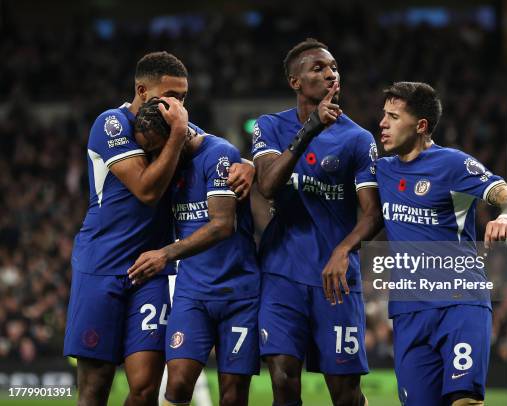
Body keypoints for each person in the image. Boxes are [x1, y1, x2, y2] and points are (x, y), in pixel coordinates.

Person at [63, 51, 253, 406]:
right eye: (172, 96)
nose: (180, 105)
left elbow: (216, 150)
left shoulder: (174, 128)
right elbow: (147, 190)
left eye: (184, 96)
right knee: (96, 383)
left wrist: (250, 166)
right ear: (142, 90)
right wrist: (179, 133)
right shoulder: (112, 124)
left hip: (150, 272)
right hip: (100, 266)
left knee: (147, 387)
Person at [375, 81, 507, 406]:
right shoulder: (382, 170)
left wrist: (505, 217)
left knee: (464, 401)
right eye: (383, 115)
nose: (382, 124)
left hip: (459, 303)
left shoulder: (454, 165)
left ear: (421, 126)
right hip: (409, 311)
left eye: (393, 117)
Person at [252, 38, 382, 406]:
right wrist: (309, 129)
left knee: (345, 393)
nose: (330, 74)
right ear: (295, 81)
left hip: (335, 278)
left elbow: (373, 213)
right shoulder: (270, 126)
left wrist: (343, 251)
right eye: (318, 68)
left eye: (334, 68)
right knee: (283, 378)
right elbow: (267, 185)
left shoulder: (358, 139)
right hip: (281, 274)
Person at [126, 98, 261, 406]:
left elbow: (222, 225)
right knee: (177, 384)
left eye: (157, 149)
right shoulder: (168, 168)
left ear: (179, 135)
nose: (154, 158)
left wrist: (165, 254)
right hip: (192, 293)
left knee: (233, 394)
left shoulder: (219, 153)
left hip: (238, 293)